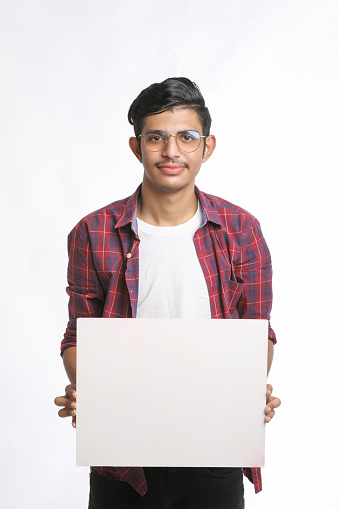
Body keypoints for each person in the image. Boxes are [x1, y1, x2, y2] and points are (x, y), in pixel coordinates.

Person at [54, 77, 281, 509]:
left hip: (215, 443)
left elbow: (259, 332)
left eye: (186, 137)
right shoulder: (93, 231)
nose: (171, 151)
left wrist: (248, 388)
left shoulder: (241, 229)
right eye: (156, 137)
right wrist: (92, 388)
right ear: (136, 147)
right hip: (123, 452)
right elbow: (77, 336)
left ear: (207, 146)